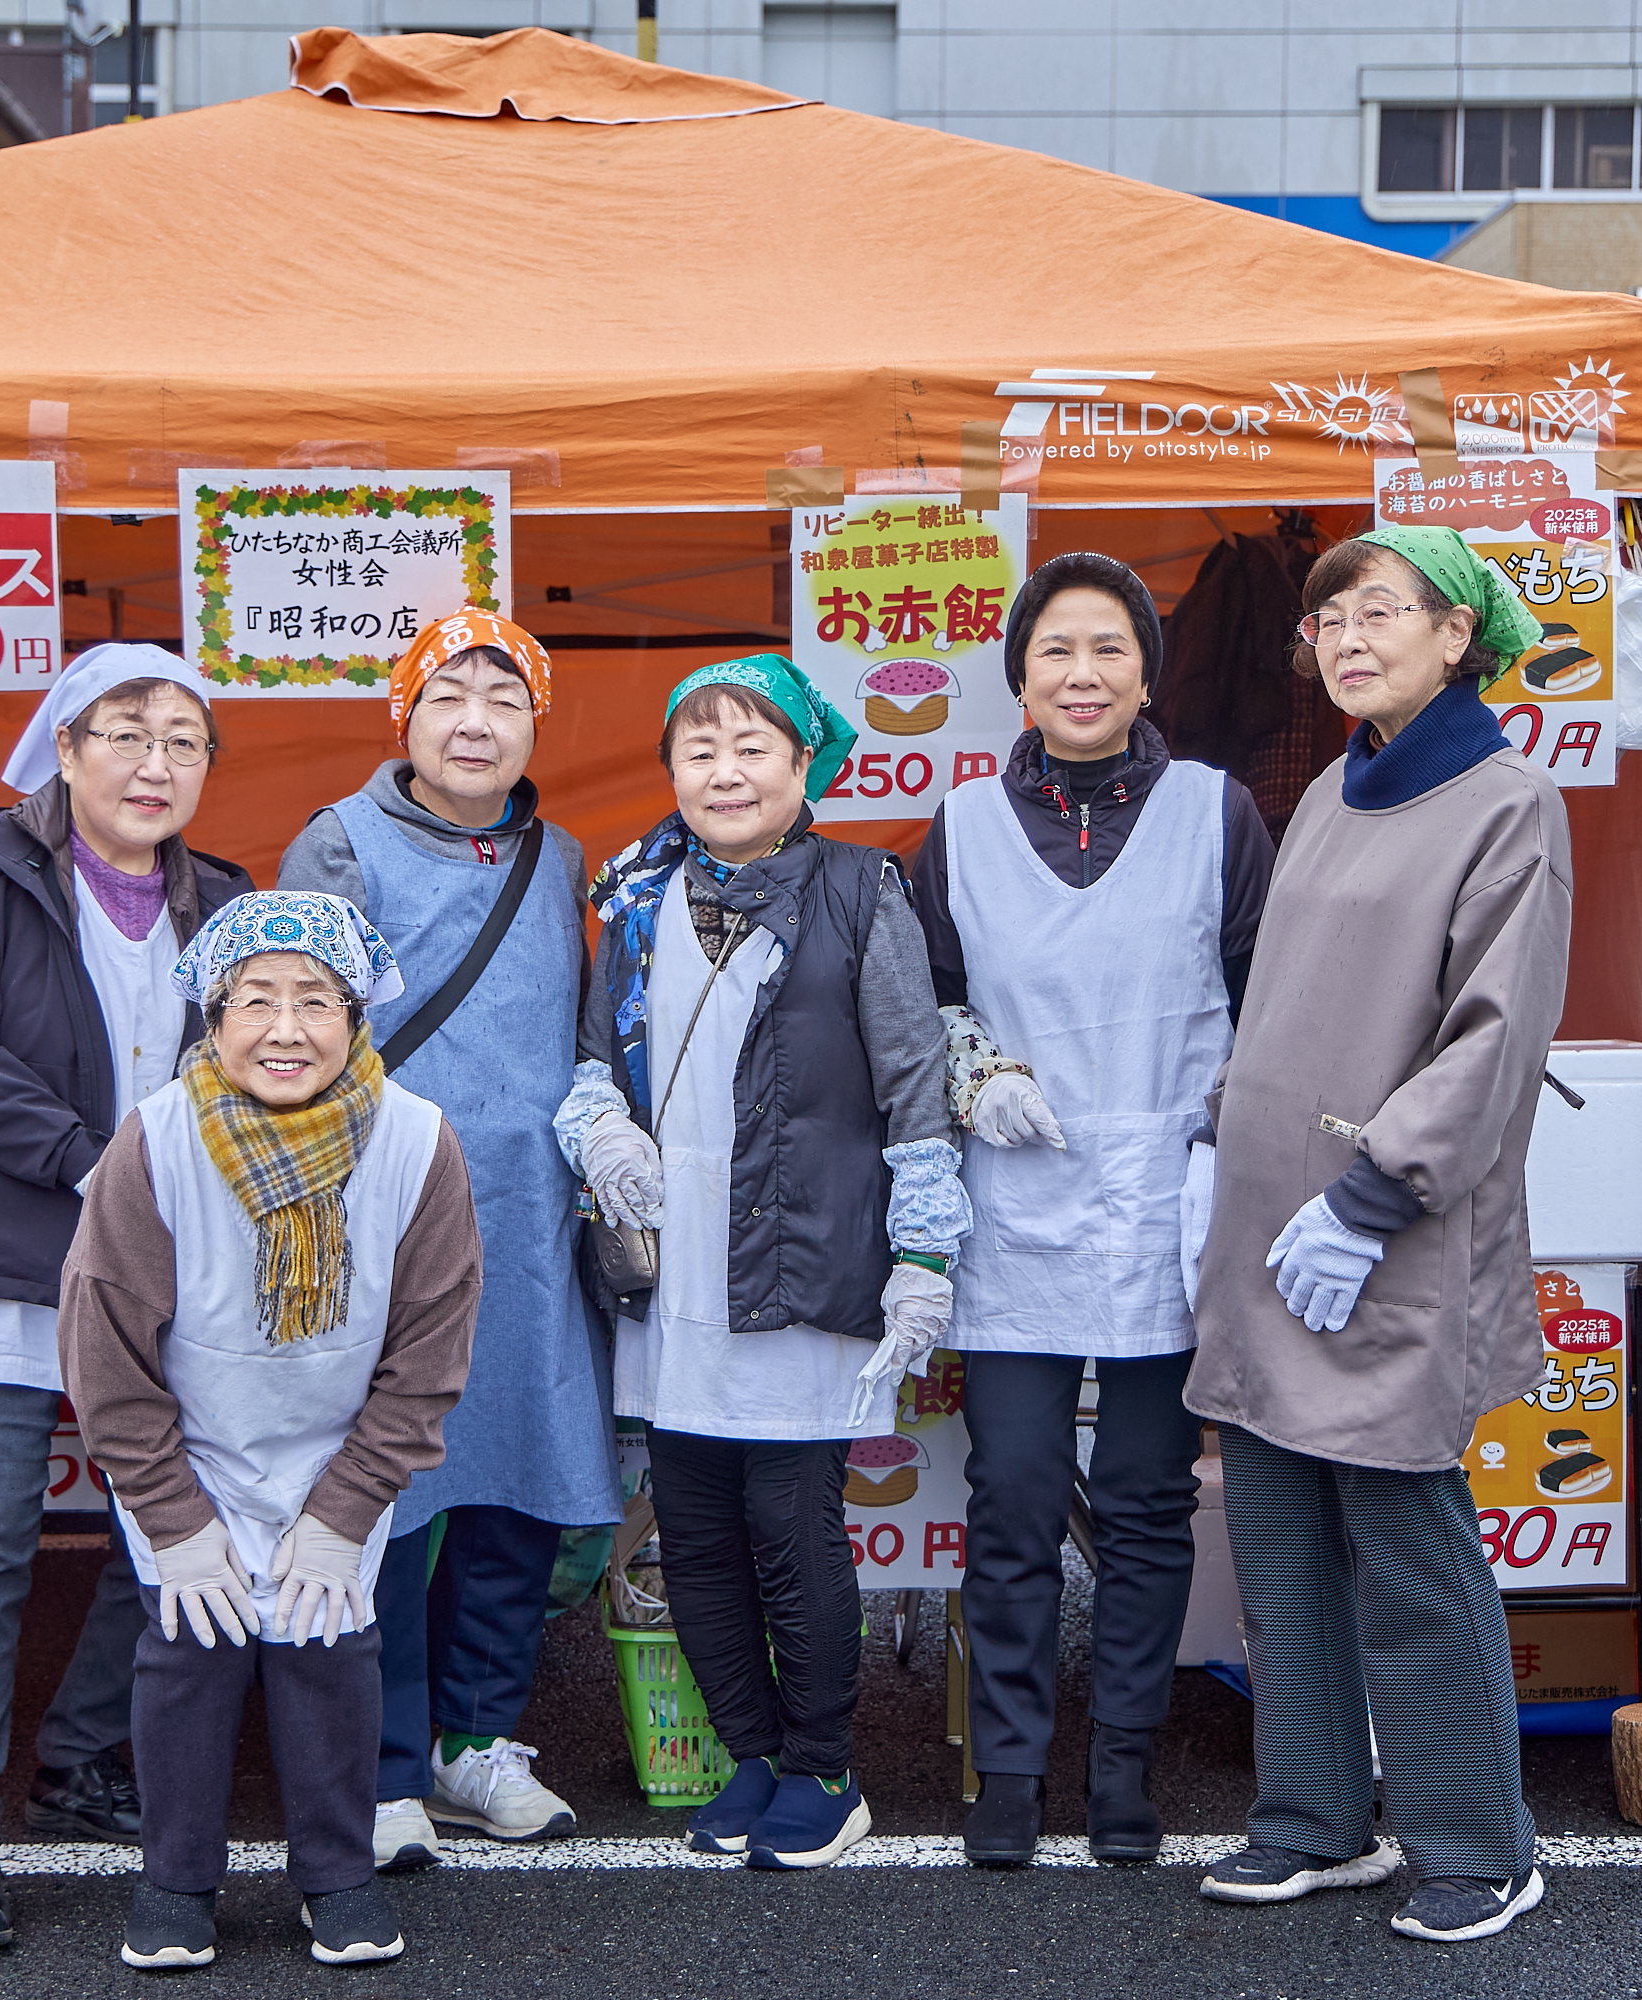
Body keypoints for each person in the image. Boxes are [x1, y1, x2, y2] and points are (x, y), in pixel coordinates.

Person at [1182, 527, 1572, 1944]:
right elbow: (1284, 1006)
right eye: (1328, 617)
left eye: (1381, 612)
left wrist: (1368, 1197)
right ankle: (1314, 1818)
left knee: (1407, 1546)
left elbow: (1492, 1039)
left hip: (1384, 1231)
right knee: (1278, 1539)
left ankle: (1481, 1844)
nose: (1346, 637)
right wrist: (1216, 1155)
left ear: (1460, 635)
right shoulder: (1338, 787)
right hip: (1273, 1223)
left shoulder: (1509, 801)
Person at [554, 654, 968, 1872]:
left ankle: (825, 1769)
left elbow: (915, 1089)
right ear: (673, 769)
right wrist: (598, 1126)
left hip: (805, 1265)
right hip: (669, 1275)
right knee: (694, 1528)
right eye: (700, 748)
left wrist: (925, 1254)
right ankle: (747, 1753)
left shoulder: (860, 889)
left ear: (805, 766)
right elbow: (590, 1061)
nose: (725, 770)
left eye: (752, 746)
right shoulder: (633, 895)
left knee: (794, 1529)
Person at [906, 552, 1275, 1868]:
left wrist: (1228, 1125)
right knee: (1009, 1495)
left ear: (1146, 675)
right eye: (1056, 649)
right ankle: (1006, 1774)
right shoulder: (957, 828)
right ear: (1018, 676)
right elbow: (918, 1003)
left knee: (1143, 1498)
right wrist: (973, 1071)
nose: (1081, 672)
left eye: (1109, 648)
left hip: (1163, 1202)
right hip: (1013, 1199)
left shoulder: (1216, 814)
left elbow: (1268, 994)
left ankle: (1124, 1767)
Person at [0, 642, 252, 1952]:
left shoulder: (228, 900)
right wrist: (91, 1162)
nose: (156, 764)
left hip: (170, 1266)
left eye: (184, 741)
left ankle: (86, 1752)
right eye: (126, 734)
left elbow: (271, 1059)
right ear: (65, 747)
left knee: (170, 1524)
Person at [62, 893, 482, 1972]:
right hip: (190, 1447)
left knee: (330, 1650)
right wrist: (171, 1512)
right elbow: (105, 1343)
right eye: (256, 999)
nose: (285, 1028)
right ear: (212, 1015)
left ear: (357, 1014)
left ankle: (336, 1876)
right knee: (189, 1654)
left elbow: (430, 1351)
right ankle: (176, 1881)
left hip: (339, 1447)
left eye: (315, 1000)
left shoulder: (417, 1140)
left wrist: (347, 1506)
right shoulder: (154, 1139)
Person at [278, 609, 617, 1869]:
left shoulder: (563, 853)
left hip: (530, 1221)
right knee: (393, 1490)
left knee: (517, 1483)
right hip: (388, 1208)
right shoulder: (338, 840)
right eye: (448, 695)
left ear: (535, 723)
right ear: (404, 716)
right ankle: (381, 1760)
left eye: (504, 698)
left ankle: (480, 1740)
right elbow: (292, 1030)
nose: (476, 721)